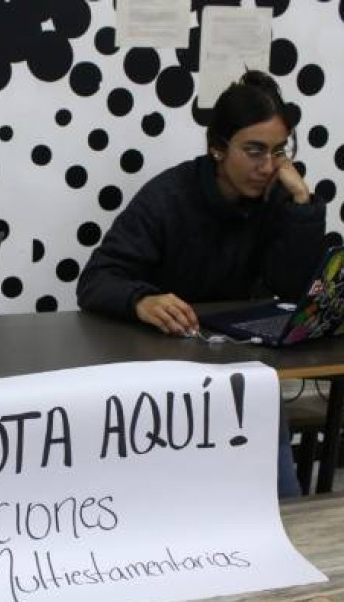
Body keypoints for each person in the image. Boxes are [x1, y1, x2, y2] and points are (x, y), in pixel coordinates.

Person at [77, 70, 329, 498]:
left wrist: (303, 204)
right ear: (217, 148)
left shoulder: (276, 198)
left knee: (263, 412)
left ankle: (287, 530)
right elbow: (96, 280)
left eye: (278, 153)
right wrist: (143, 300)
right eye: (253, 151)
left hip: (232, 361)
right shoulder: (169, 196)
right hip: (159, 367)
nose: (267, 167)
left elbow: (293, 288)